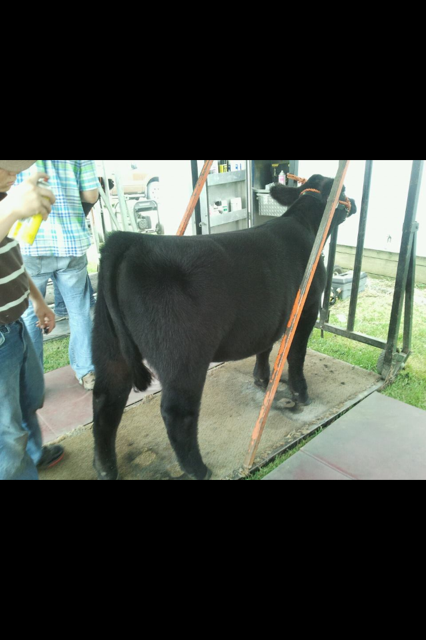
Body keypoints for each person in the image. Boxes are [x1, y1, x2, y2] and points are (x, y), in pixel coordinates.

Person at [0, 160, 64, 480]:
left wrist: (38, 300)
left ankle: (35, 455)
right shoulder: (6, 206)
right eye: (4, 167)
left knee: (29, 400)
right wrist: (12, 209)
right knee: (7, 432)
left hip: (16, 327)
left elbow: (12, 258)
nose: (13, 174)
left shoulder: (2, 201)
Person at [14, 161, 99, 390]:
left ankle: (32, 382)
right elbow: (91, 195)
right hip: (71, 241)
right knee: (79, 311)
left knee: (30, 315)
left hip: (29, 242)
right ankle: (87, 372)